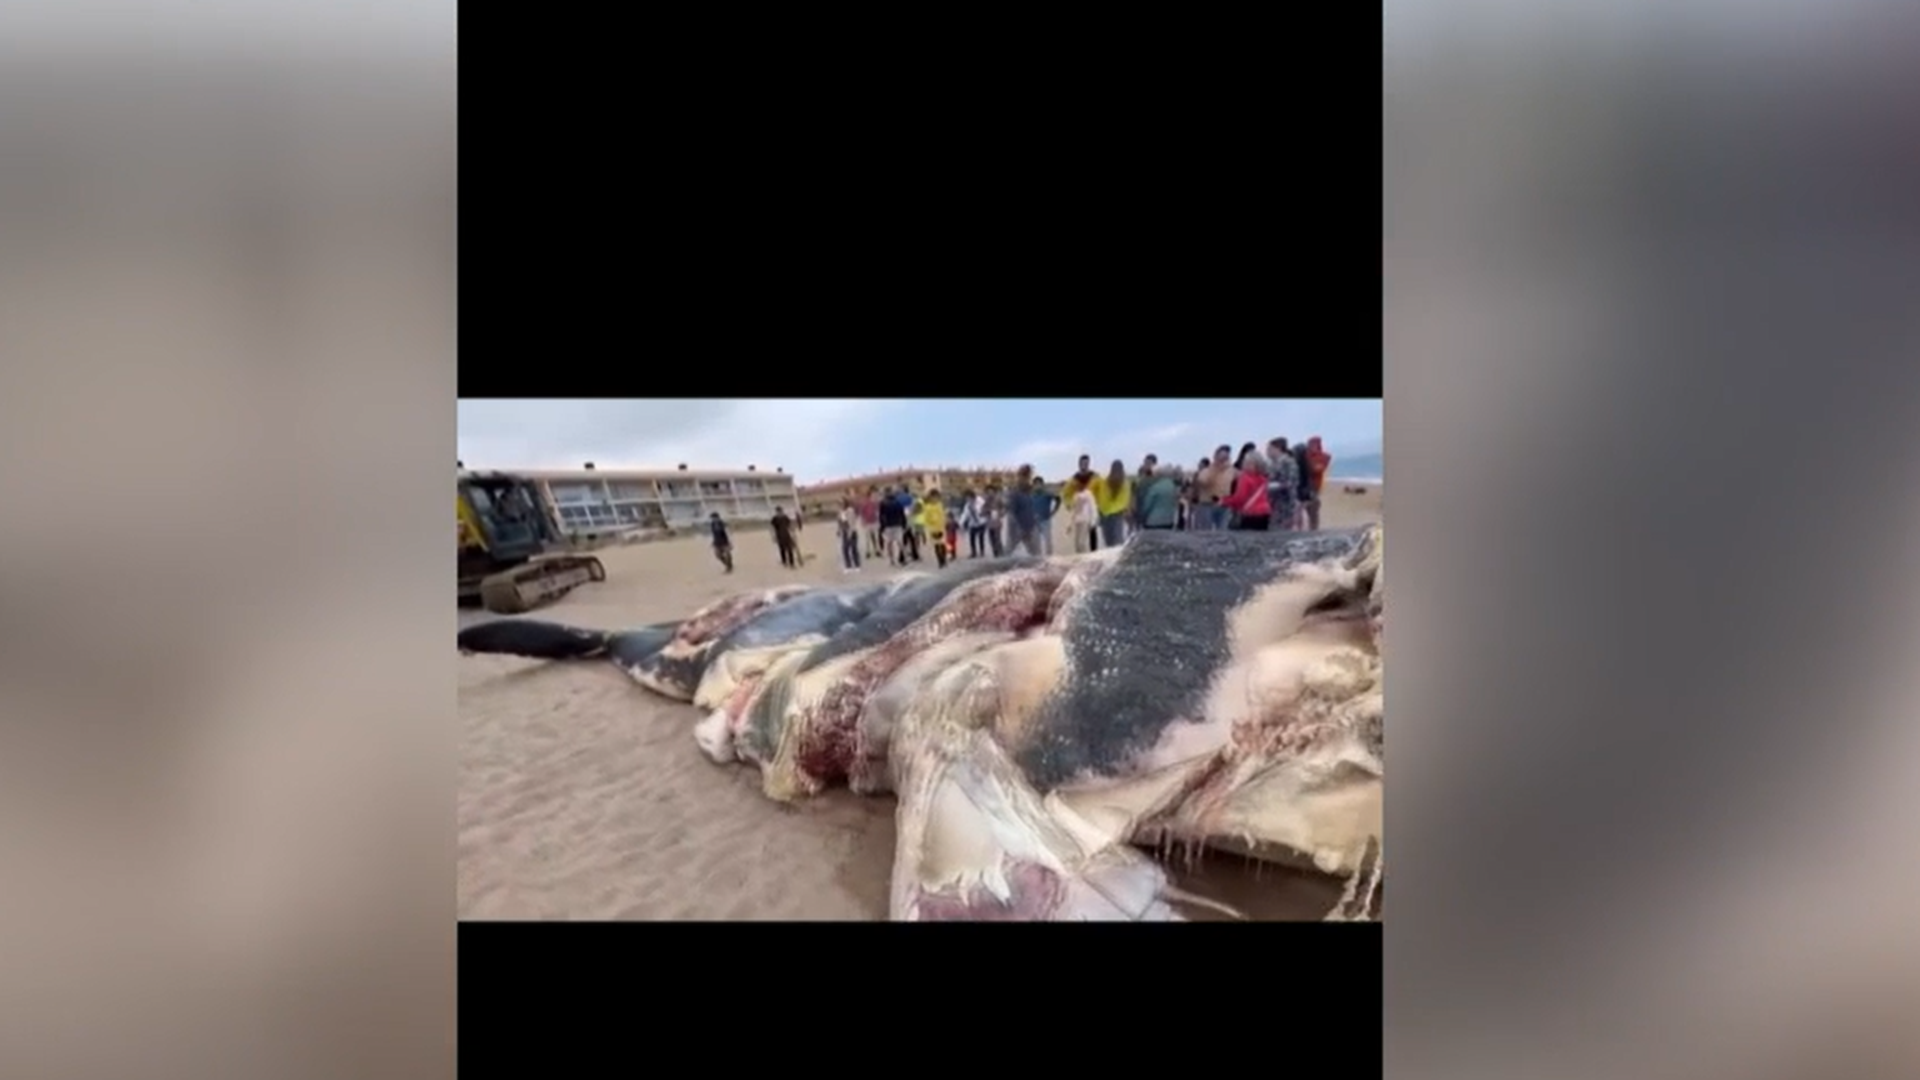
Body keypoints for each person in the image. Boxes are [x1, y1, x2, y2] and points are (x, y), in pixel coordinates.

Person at [1223, 451, 1273, 530]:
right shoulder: (1263, 479)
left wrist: (1224, 501)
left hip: (1251, 513)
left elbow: (1240, 499)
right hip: (1265, 512)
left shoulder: (1245, 478)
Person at [1090, 459, 1131, 548]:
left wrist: (1097, 502)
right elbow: (1125, 499)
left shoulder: (1103, 481)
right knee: (1116, 540)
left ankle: (1113, 554)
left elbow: (1092, 491)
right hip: (1115, 514)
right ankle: (1117, 555)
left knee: (1110, 540)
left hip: (1107, 513)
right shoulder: (1124, 482)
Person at [1194, 445, 1235, 531]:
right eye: (1221, 458)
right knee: (1205, 532)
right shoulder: (1206, 471)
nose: (1223, 461)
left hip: (1224, 506)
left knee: (1223, 532)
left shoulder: (1231, 471)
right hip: (1208, 505)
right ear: (1215, 457)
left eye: (1226, 458)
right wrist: (1216, 469)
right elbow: (1203, 481)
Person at [1264, 438, 1299, 532]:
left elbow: (1291, 482)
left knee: (1281, 531)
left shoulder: (1288, 462)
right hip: (1272, 503)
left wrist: (1271, 486)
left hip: (1284, 504)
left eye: (1270, 449)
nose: (1267, 451)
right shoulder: (1272, 463)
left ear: (1278, 449)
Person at [1137, 463, 1181, 530]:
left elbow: (1147, 504)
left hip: (1153, 521)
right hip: (1168, 521)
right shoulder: (1173, 486)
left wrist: (1142, 517)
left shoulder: (1156, 487)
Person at [1302, 436, 1332, 530]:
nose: (1311, 447)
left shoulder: (1323, 457)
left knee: (1313, 510)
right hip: (1304, 484)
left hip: (1314, 486)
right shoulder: (1305, 455)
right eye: (1310, 444)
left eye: (1313, 444)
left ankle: (1313, 529)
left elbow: (1316, 469)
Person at [877, 485, 907, 565]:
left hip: (888, 525)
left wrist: (882, 527)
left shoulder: (883, 503)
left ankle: (892, 560)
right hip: (897, 524)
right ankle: (904, 557)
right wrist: (904, 524)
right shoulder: (897, 502)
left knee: (889, 543)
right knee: (900, 542)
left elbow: (881, 516)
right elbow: (902, 514)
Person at [1031, 474, 1060, 555]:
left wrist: (1054, 511)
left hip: (1046, 520)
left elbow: (1058, 499)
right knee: (1036, 542)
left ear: (1042, 485)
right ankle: (1038, 557)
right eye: (1036, 484)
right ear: (1033, 485)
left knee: (1048, 540)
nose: (1037, 485)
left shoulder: (1047, 493)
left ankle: (1049, 556)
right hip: (1035, 522)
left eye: (1039, 483)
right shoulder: (1031, 495)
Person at [1068, 479, 1099, 552]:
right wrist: (1070, 525)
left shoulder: (1088, 494)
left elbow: (1093, 507)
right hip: (1077, 521)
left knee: (1081, 542)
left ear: (1083, 484)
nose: (1077, 485)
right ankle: (1079, 556)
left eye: (1078, 484)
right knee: (1077, 543)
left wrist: (1093, 522)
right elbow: (1074, 510)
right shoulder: (1075, 495)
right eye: (1076, 484)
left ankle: (1084, 556)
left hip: (1085, 520)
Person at [922, 488, 949, 568]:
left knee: (943, 544)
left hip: (941, 528)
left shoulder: (939, 505)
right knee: (937, 545)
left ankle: (944, 559)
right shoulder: (928, 507)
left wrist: (945, 523)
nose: (935, 499)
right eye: (933, 497)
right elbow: (926, 519)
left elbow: (942, 516)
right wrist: (930, 526)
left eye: (936, 497)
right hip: (933, 529)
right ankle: (940, 561)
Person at [1131, 454, 1158, 532]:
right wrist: (1132, 506)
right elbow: (1134, 493)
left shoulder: (1157, 478)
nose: (1146, 465)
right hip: (1139, 508)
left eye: (1149, 463)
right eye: (1146, 463)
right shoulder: (1139, 478)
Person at [836, 498, 862, 573]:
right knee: (845, 549)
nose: (840, 505)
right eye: (839, 504)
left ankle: (857, 565)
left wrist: (850, 533)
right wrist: (839, 530)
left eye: (841, 503)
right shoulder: (840, 512)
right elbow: (840, 522)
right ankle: (848, 565)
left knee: (853, 548)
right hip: (844, 532)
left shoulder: (850, 511)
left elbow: (852, 522)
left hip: (852, 531)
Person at [961, 488, 988, 558]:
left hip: (981, 522)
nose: (967, 499)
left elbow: (984, 508)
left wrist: (976, 510)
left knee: (981, 537)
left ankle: (982, 551)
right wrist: (961, 523)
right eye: (966, 498)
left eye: (968, 497)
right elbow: (965, 514)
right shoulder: (967, 505)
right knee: (972, 538)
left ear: (971, 496)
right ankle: (973, 552)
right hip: (973, 523)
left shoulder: (979, 500)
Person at [858, 488, 882, 559]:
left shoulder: (875, 503)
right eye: (873, 495)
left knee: (875, 537)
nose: (874, 496)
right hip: (868, 522)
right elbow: (862, 513)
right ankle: (868, 551)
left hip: (874, 521)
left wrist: (878, 519)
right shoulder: (865, 503)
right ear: (870, 495)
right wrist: (863, 521)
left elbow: (877, 512)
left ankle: (877, 550)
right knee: (868, 538)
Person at [984, 483, 1007, 557]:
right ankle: (995, 551)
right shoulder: (986, 500)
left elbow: (1004, 507)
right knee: (991, 538)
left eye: (991, 491)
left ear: (994, 491)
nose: (989, 493)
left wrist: (1001, 513)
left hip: (997, 521)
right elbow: (983, 509)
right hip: (989, 522)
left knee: (997, 537)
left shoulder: (998, 498)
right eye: (988, 492)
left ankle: (1000, 551)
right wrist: (986, 511)